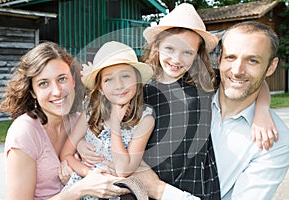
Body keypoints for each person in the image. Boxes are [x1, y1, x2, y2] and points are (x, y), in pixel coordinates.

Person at [76, 4, 277, 200]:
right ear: (157, 46)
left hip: (194, 180)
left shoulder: (205, 81)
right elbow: (103, 109)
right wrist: (82, 142)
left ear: (197, 54)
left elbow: (251, 83)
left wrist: (262, 112)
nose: (176, 59)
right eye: (170, 48)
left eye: (187, 52)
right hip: (149, 178)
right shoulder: (141, 87)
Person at [0, 41, 129, 200]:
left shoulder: (77, 121)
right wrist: (78, 190)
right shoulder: (25, 132)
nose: (57, 91)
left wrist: (81, 147)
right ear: (32, 91)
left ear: (73, 80)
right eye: (43, 83)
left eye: (62, 79)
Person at [60, 41, 155, 200]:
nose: (118, 85)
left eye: (125, 76)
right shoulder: (91, 114)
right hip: (84, 188)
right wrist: (90, 175)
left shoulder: (145, 120)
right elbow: (66, 153)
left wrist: (115, 123)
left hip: (114, 194)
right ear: (101, 89)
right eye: (108, 79)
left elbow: (124, 169)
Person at [211, 21, 289, 199]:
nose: (237, 71)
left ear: (271, 67)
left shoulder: (275, 141)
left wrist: (159, 190)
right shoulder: (193, 98)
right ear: (219, 59)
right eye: (230, 57)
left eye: (252, 60)